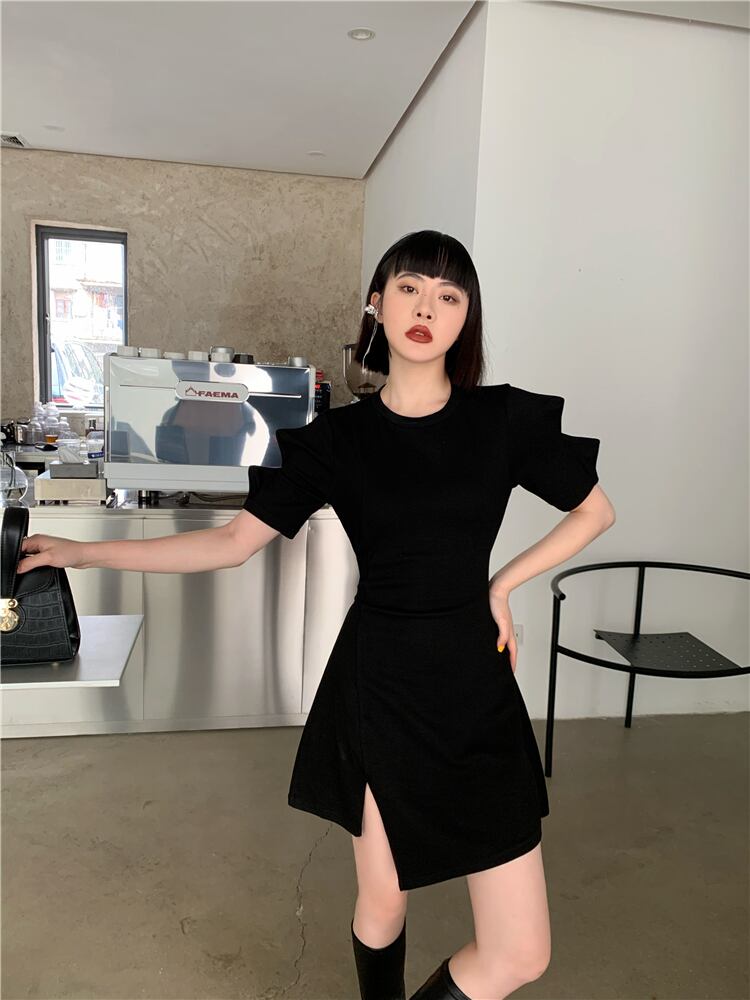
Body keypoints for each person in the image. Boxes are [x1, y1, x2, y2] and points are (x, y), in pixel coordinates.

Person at [17, 230, 616, 1000]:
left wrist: (502, 586)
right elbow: (233, 543)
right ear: (376, 303)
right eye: (409, 288)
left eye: (448, 296)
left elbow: (594, 511)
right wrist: (83, 552)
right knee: (383, 896)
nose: (425, 309)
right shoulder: (339, 440)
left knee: (521, 953)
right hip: (378, 688)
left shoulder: (501, 422)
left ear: (466, 318)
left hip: (476, 688)